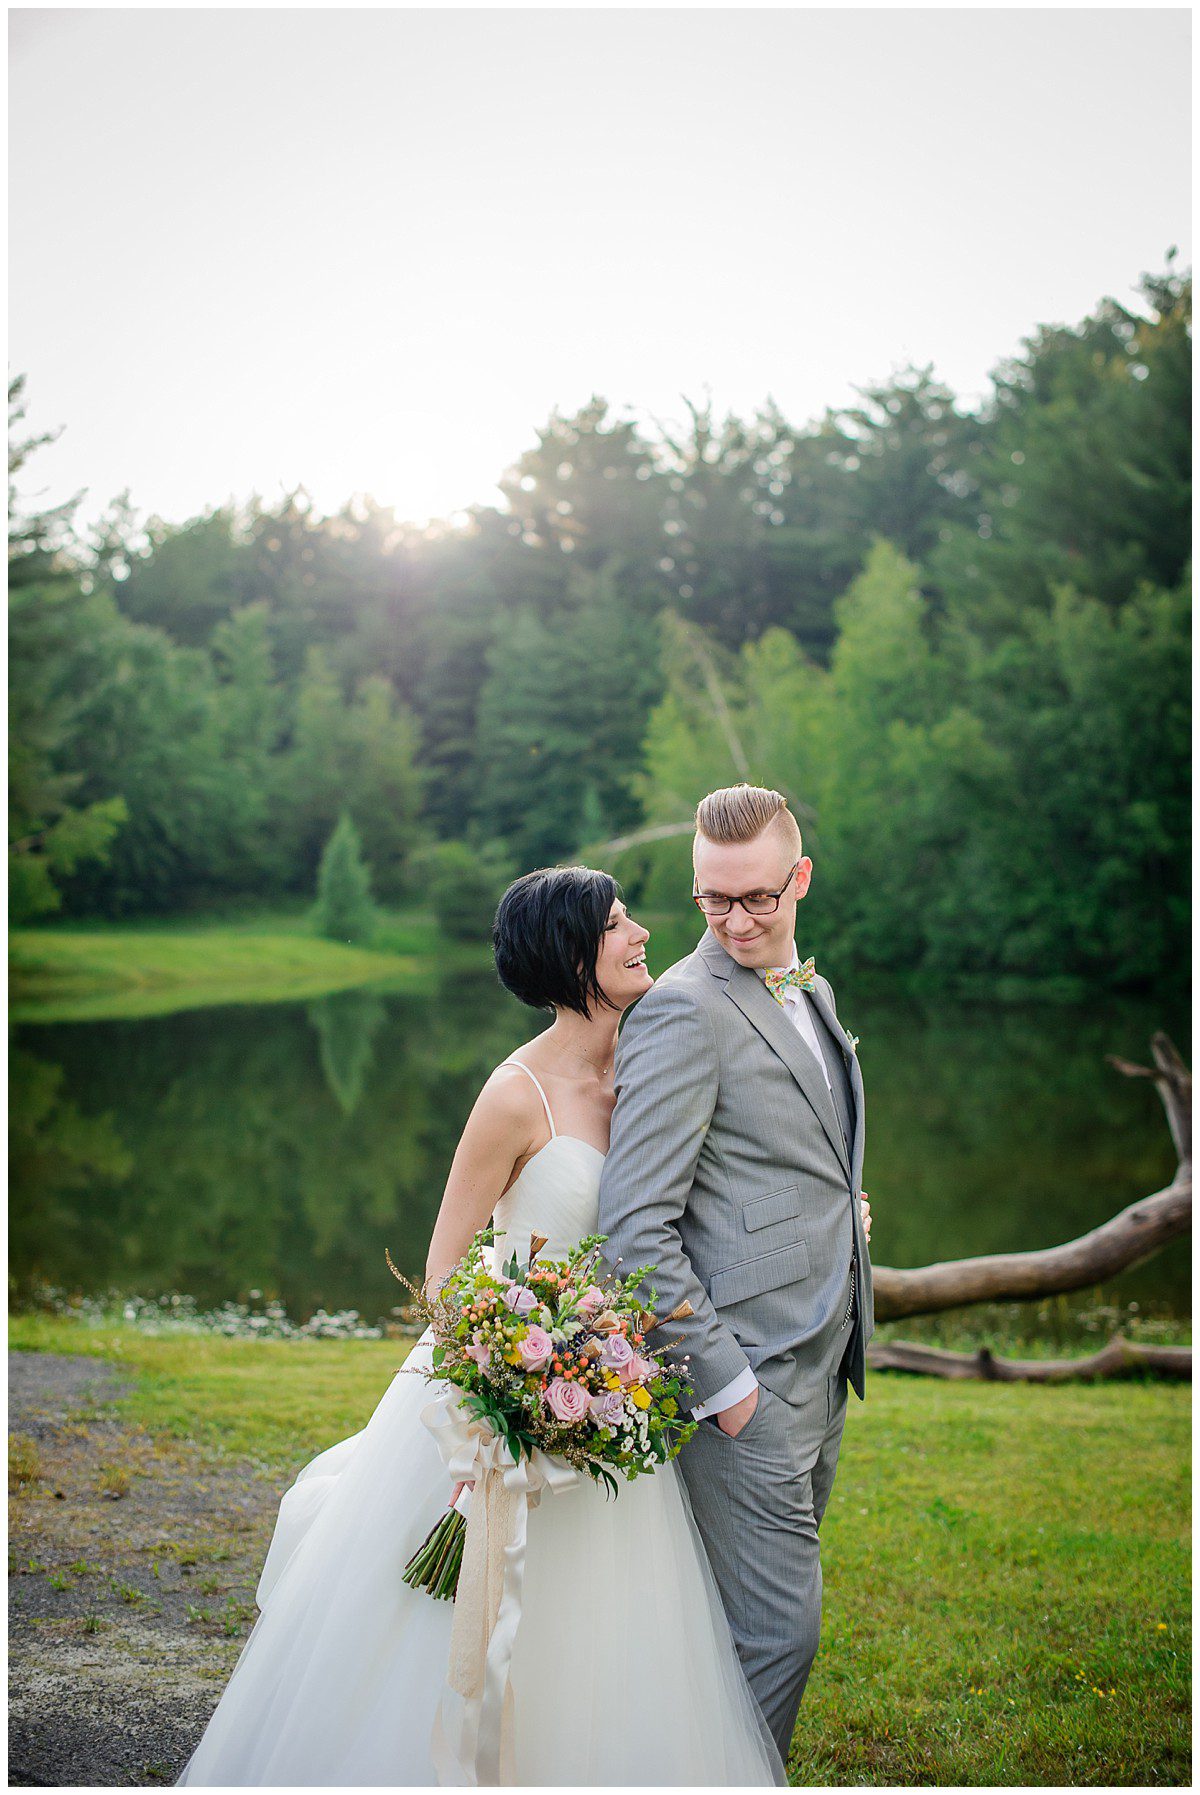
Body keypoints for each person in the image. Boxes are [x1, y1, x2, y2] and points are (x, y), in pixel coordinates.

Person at [176, 864, 786, 1787]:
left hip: (612, 1390)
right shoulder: (515, 1092)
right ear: (572, 955)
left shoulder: (651, 1067)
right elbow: (443, 1269)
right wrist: (509, 1392)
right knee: (449, 1617)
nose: (640, 935)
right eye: (618, 924)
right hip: (504, 1386)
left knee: (612, 1632)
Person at [597, 782, 875, 1765]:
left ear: (800, 878)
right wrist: (728, 1385)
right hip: (747, 1381)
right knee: (776, 1638)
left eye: (758, 896)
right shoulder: (681, 1009)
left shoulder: (809, 989)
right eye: (715, 899)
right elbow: (634, 1229)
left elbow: (799, 1158)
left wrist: (843, 1219)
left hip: (823, 1358)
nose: (737, 920)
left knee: (738, 1633)